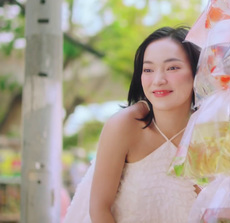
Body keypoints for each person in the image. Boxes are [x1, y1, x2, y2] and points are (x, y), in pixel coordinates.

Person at [63, 26, 201, 223]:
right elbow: (99, 209)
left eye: (172, 68)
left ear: (196, 72)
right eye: (148, 70)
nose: (158, 80)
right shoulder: (124, 125)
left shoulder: (213, 128)